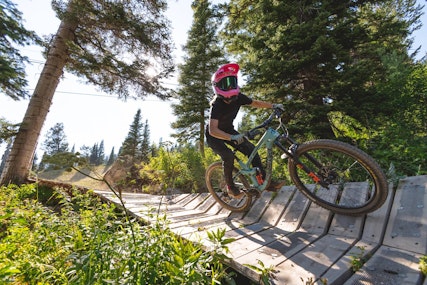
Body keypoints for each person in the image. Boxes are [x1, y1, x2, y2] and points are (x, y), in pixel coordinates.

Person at [206, 63, 285, 199]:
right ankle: (231, 187)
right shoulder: (217, 105)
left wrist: (273, 106)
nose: (230, 86)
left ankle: (266, 183)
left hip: (229, 131)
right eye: (226, 83)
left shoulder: (239, 98)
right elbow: (213, 130)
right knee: (228, 156)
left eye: (233, 81)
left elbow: (255, 103)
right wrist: (231, 138)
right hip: (214, 136)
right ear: (218, 86)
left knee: (252, 151)